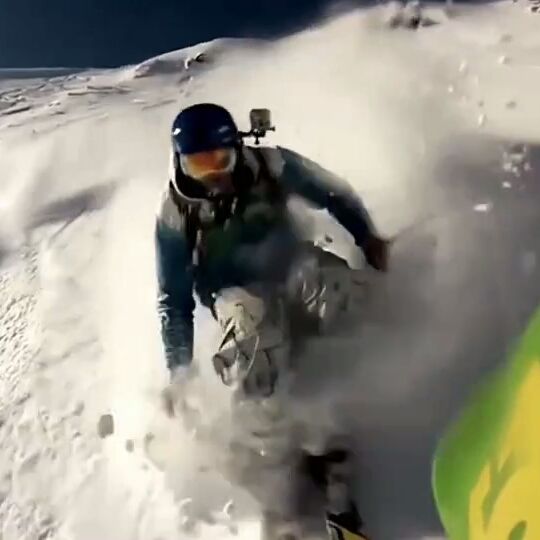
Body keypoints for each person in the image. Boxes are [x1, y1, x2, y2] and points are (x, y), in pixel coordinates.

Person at [154, 102, 387, 539]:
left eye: (219, 160)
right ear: (180, 162)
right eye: (198, 165)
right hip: (234, 292)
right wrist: (179, 370)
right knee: (254, 341)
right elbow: (174, 299)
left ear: (237, 149)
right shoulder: (177, 213)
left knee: (340, 291)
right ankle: (279, 475)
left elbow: (334, 193)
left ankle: (334, 434)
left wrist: (367, 237)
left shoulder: (272, 165)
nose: (212, 175)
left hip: (294, 267)